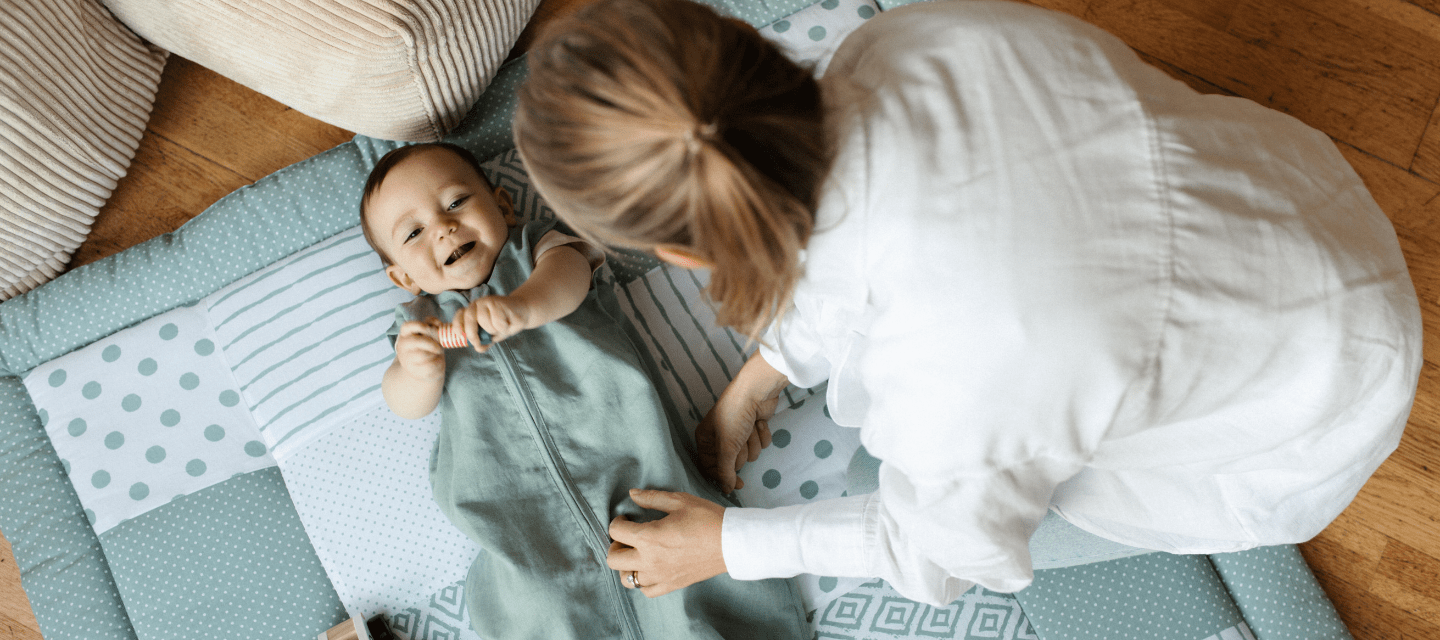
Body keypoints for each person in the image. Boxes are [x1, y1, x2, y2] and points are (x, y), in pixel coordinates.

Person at [512, 0, 1424, 607]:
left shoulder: (970, 372)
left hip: (1305, 403)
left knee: (963, 510)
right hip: (1295, 202)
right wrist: (771, 367)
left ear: (676, 251)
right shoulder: (903, 38)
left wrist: (731, 547)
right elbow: (838, 212)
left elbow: (944, 552)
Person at [363, 142, 806, 639]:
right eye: (414, 232)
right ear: (402, 277)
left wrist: (524, 308)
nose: (443, 227)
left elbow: (569, 280)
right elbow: (403, 403)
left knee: (688, 584)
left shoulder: (537, 251)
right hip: (519, 517)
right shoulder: (419, 327)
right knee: (543, 606)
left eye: (456, 202)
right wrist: (416, 371)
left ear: (503, 206)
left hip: (636, 470)